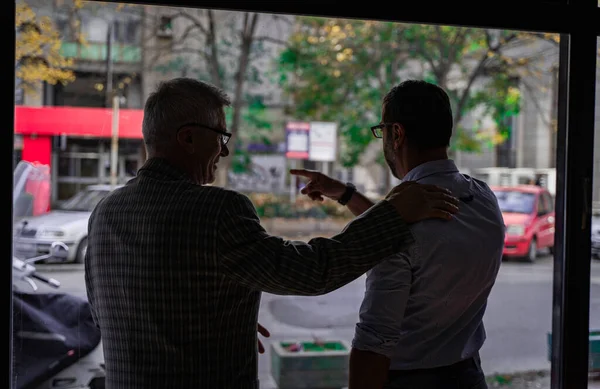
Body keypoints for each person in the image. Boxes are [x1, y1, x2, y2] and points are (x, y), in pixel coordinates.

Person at [83, 77, 460, 389]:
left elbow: (112, 314)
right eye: (221, 136)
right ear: (188, 138)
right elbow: (314, 271)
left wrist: (215, 320)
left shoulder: (104, 213)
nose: (225, 152)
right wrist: (394, 214)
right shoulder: (216, 210)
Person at [292, 80, 505, 389]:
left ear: (396, 133)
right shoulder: (484, 199)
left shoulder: (403, 228)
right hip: (469, 376)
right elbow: (397, 221)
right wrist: (346, 193)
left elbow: (374, 343)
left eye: (382, 131)